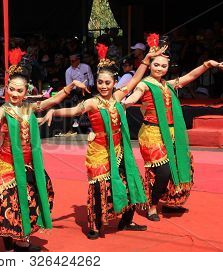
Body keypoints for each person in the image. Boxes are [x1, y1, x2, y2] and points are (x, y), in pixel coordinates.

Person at [0, 48, 89, 251]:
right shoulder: (3, 110)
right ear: (7, 88)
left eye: (19, 90)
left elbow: (53, 101)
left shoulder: (29, 108)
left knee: (42, 192)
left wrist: (72, 85)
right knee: (13, 200)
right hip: (8, 166)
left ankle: (12, 233)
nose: (14, 93)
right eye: (11, 89)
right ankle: (20, 240)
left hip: (29, 165)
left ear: (26, 91)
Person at [40, 43, 168, 239]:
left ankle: (127, 220)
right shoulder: (92, 102)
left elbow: (135, 79)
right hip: (99, 151)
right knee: (100, 188)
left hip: (119, 149)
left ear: (114, 82)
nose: (103, 86)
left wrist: (148, 59)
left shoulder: (117, 97)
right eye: (100, 82)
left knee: (130, 182)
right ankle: (95, 225)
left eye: (107, 83)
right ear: (96, 83)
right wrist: (53, 111)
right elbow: (73, 111)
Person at [123, 33, 223, 221]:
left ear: (168, 67)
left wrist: (207, 65)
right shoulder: (145, 85)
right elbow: (134, 96)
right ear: (150, 65)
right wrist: (125, 104)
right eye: (156, 64)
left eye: (164, 65)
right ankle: (152, 206)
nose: (160, 68)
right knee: (163, 171)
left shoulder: (167, 85)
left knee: (179, 166)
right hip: (152, 134)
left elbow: (188, 77)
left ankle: (170, 201)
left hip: (171, 133)